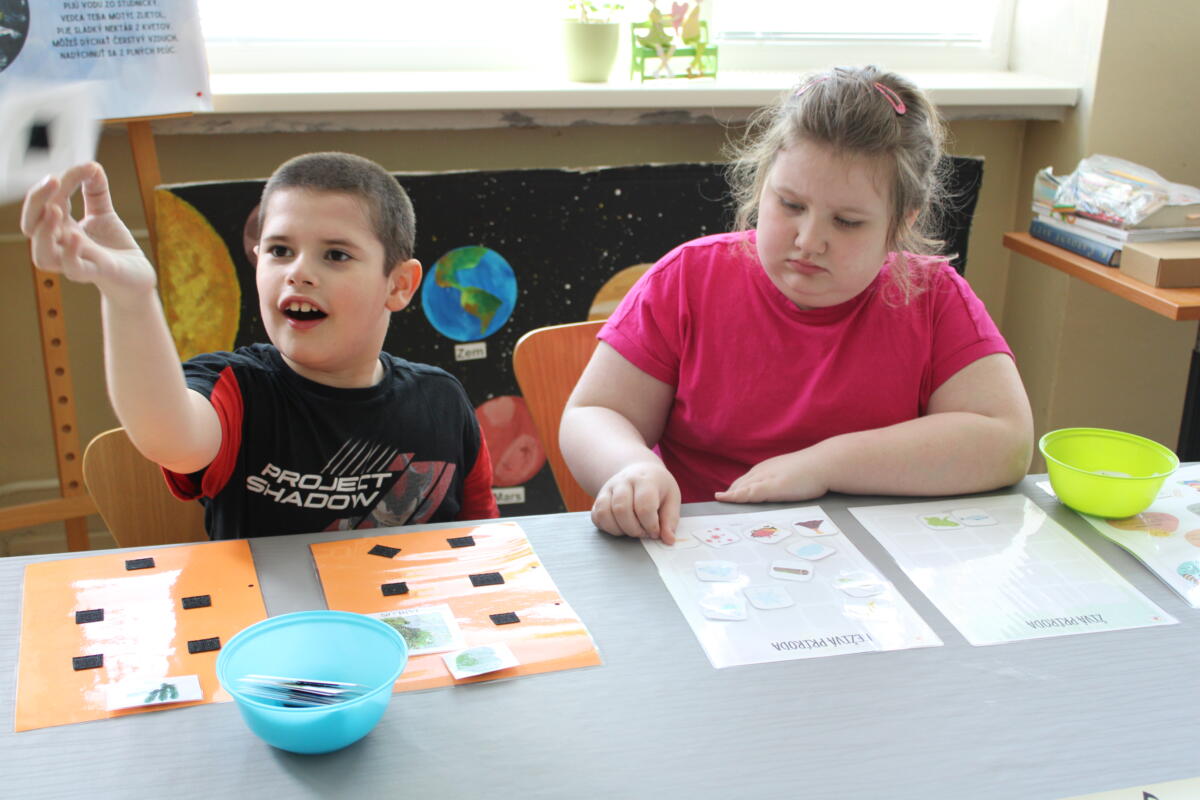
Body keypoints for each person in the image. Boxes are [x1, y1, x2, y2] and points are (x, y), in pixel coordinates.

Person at [560, 66, 1033, 544]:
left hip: (878, 560)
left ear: (901, 222)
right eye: (790, 204)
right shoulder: (686, 280)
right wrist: (631, 467)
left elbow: (1006, 443)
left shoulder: (934, 299)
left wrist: (826, 464)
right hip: (702, 550)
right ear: (762, 182)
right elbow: (594, 412)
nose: (809, 241)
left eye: (847, 222)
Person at [21, 152, 499, 538]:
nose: (298, 271)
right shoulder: (235, 388)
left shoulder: (442, 400)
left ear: (398, 285)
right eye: (279, 250)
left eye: (335, 254)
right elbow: (166, 434)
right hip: (271, 628)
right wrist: (130, 298)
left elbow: (483, 539)